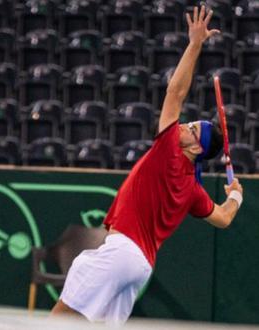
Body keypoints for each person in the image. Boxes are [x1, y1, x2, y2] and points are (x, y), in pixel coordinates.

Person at [50, 6, 244, 325]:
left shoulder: (168, 150)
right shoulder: (193, 190)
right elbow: (223, 218)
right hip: (140, 268)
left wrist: (195, 43)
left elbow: (175, 91)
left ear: (196, 147)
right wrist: (235, 196)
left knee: (56, 320)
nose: (183, 127)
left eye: (191, 129)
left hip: (120, 254)